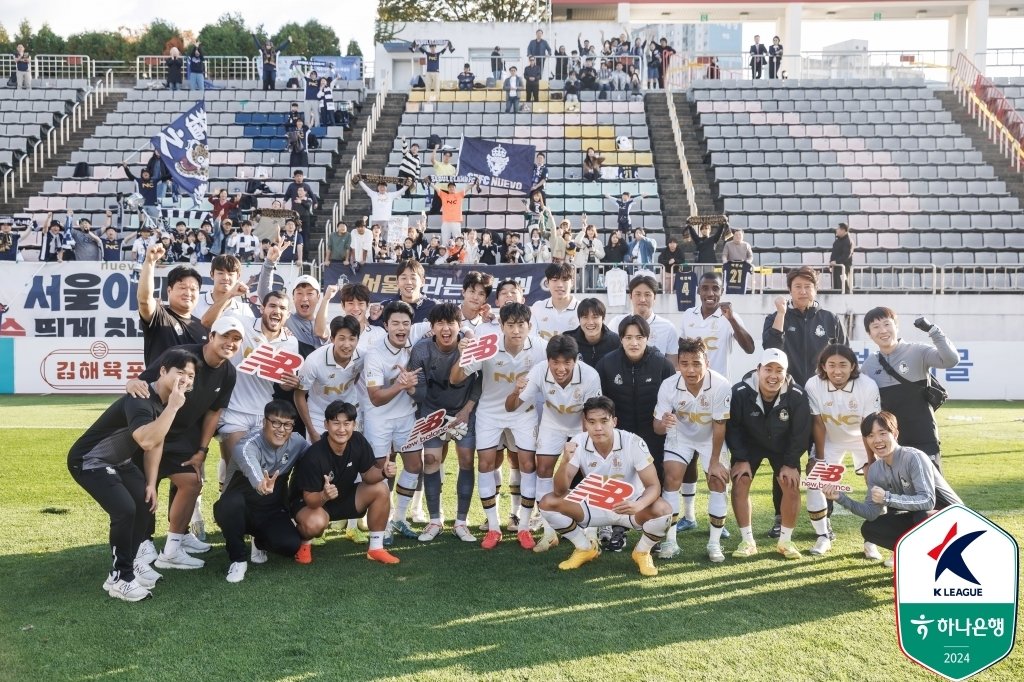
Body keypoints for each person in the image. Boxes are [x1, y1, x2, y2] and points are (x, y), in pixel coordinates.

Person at [68, 348, 194, 601]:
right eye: (180, 372)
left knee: (145, 503)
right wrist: (173, 408)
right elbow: (146, 440)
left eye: (191, 376)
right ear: (162, 371)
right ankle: (119, 578)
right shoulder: (140, 396)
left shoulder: (166, 401)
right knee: (125, 510)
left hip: (121, 461)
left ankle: (132, 562)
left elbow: (158, 442)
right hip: (89, 460)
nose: (186, 379)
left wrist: (151, 483)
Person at [538, 397, 673, 576]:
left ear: (614, 421)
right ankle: (584, 548)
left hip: (629, 507)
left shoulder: (633, 442)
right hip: (594, 507)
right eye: (591, 422)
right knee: (548, 502)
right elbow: (559, 491)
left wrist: (638, 505)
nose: (598, 427)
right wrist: (565, 462)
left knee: (663, 509)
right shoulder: (578, 441)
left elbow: (653, 485)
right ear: (585, 423)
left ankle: (642, 552)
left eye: (604, 421)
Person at [451, 301, 545, 549]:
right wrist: (464, 355)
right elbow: (455, 378)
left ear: (529, 326)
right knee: (485, 464)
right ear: (501, 325)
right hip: (490, 413)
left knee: (527, 464)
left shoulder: (540, 348)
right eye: (510, 325)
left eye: (521, 325)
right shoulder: (487, 347)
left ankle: (523, 527)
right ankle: (493, 528)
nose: (516, 330)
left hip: (523, 412)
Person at [762, 266, 845, 537]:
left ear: (815, 289)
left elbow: (842, 357)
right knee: (785, 458)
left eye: (807, 286)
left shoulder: (830, 319)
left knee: (824, 458)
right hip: (789, 400)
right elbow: (770, 347)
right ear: (790, 289)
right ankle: (780, 516)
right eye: (797, 286)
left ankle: (825, 519)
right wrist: (782, 314)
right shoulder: (777, 317)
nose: (802, 291)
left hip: (825, 401)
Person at [506, 335, 602, 552]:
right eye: (555, 362)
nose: (560, 368)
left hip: (581, 424)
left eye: (567, 362)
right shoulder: (539, 370)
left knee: (590, 471)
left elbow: (592, 414)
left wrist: (586, 444)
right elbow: (511, 407)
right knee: (543, 470)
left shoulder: (589, 375)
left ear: (575, 360)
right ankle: (549, 533)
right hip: (552, 423)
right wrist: (515, 390)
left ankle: (592, 533)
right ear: (547, 360)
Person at [827, 413, 962, 568]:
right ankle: (912, 553)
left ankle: (941, 557)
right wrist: (840, 498)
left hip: (955, 519)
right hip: (920, 516)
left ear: (895, 434)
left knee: (922, 516)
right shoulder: (875, 470)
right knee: (871, 528)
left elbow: (928, 501)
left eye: (883, 433)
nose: (877, 440)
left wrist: (888, 498)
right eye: (870, 436)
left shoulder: (914, 457)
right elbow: (871, 513)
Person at [290, 400, 400, 565]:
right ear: (326, 424)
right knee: (315, 523)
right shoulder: (314, 455)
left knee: (380, 488)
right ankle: (303, 543)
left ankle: (376, 548)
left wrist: (383, 472)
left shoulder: (357, 440)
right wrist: (324, 495)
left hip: (342, 496)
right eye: (336, 423)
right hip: (312, 503)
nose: (342, 429)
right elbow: (310, 500)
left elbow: (368, 475)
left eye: (347, 423)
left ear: (354, 424)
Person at [727, 349, 812, 559]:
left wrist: (791, 462)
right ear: (758, 369)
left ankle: (785, 541)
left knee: (790, 483)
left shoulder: (797, 394)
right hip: (749, 445)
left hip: (783, 446)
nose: (773, 376)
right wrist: (740, 458)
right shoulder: (739, 392)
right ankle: (747, 540)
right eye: (768, 369)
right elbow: (733, 428)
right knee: (740, 480)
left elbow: (800, 432)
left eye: (779, 370)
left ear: (786, 373)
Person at [654, 338, 733, 561]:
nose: (690, 369)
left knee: (718, 480)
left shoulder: (720, 384)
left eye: (696, 363)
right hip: (681, 437)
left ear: (707, 362)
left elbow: (720, 426)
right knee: (671, 477)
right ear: (678, 364)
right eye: (685, 363)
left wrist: (715, 461)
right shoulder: (668, 385)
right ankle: (670, 541)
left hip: (710, 439)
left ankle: (714, 543)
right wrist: (663, 423)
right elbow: (657, 428)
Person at [409, 303, 482, 543]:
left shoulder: (471, 346)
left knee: (466, 461)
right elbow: (418, 391)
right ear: (432, 327)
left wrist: (467, 410)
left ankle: (461, 521)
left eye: (451, 322)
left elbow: (480, 382)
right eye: (440, 323)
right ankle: (434, 521)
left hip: (463, 411)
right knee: (430, 460)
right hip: (432, 412)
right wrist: (411, 390)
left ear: (459, 325)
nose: (446, 328)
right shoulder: (421, 350)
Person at [214, 400, 307, 583]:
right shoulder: (246, 445)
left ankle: (259, 541)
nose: (281, 429)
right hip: (240, 508)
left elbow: (314, 460)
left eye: (287, 424)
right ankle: (238, 559)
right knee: (229, 505)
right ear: (264, 422)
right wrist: (261, 484)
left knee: (290, 545)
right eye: (276, 423)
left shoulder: (298, 442)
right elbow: (252, 469)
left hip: (270, 511)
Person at [803, 344, 881, 558]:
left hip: (862, 439)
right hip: (831, 439)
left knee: (877, 481)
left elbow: (869, 426)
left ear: (853, 366)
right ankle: (822, 536)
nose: (837, 371)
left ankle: (872, 540)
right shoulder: (814, 384)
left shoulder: (867, 385)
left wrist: (871, 461)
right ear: (823, 366)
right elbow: (817, 423)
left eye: (843, 365)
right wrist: (819, 458)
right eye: (832, 365)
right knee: (815, 480)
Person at [860, 308, 960, 470]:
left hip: (924, 435)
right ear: (869, 333)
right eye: (876, 326)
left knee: (933, 490)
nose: (883, 330)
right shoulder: (869, 365)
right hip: (891, 441)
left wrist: (934, 331)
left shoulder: (917, 351)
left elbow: (950, 360)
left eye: (887, 324)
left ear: (896, 327)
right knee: (897, 492)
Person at [362, 301, 426, 544]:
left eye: (406, 323)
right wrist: (402, 384)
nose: (401, 328)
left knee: (413, 465)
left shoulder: (415, 339)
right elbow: (375, 398)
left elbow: (447, 324)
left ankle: (399, 517)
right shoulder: (375, 354)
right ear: (386, 325)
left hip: (406, 416)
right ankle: (383, 522)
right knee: (378, 471)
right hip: (378, 419)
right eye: (395, 323)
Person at [596, 315, 675, 493]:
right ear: (621, 339)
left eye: (639, 338)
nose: (634, 343)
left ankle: (655, 518)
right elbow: (599, 403)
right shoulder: (607, 364)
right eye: (628, 337)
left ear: (647, 338)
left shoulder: (662, 365)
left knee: (654, 484)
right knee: (619, 484)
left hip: (653, 438)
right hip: (618, 436)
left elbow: (672, 403)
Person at [137, 244, 207, 366]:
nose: (188, 293)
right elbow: (145, 299)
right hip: (160, 384)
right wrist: (149, 262)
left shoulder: (204, 327)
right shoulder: (159, 316)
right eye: (182, 287)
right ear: (169, 290)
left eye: (193, 289)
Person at [681, 271, 756, 378]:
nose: (710, 293)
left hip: (720, 384)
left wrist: (731, 319)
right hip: (692, 382)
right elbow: (681, 349)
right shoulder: (688, 314)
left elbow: (750, 349)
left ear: (722, 291)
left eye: (715, 288)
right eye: (705, 288)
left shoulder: (731, 317)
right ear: (698, 290)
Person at [610, 275, 680, 363]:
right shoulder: (616, 323)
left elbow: (673, 364)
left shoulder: (668, 328)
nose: (642, 299)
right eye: (638, 294)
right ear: (630, 296)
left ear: (654, 297)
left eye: (647, 295)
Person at [194, 254, 255, 328]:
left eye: (230, 274)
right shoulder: (196, 301)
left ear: (238, 276)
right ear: (212, 275)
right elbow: (205, 324)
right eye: (220, 273)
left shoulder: (243, 309)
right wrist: (230, 295)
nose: (225, 278)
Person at [531, 262, 580, 340]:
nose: (560, 285)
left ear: (572, 283)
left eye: (564, 280)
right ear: (547, 282)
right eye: (554, 280)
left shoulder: (581, 309)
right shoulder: (537, 308)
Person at [567, 298, 621, 367]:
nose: (590, 322)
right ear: (579, 319)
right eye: (585, 317)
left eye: (595, 317)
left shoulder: (616, 342)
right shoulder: (568, 340)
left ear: (603, 318)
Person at [437, 179, 478, 245]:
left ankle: (457, 255)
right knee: (445, 241)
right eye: (450, 187)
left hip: (456, 221)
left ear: (455, 188)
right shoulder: (444, 195)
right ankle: (446, 255)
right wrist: (430, 183)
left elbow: (467, 187)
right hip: (445, 221)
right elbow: (437, 189)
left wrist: (474, 183)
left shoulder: (459, 195)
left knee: (457, 240)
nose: (451, 188)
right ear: (448, 189)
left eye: (453, 187)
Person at [829, 223, 855, 293]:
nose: (836, 230)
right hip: (836, 268)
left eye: (838, 229)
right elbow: (834, 254)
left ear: (843, 230)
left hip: (844, 269)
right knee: (836, 286)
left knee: (843, 285)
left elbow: (846, 255)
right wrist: (831, 263)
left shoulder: (848, 241)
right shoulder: (837, 241)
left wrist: (836, 262)